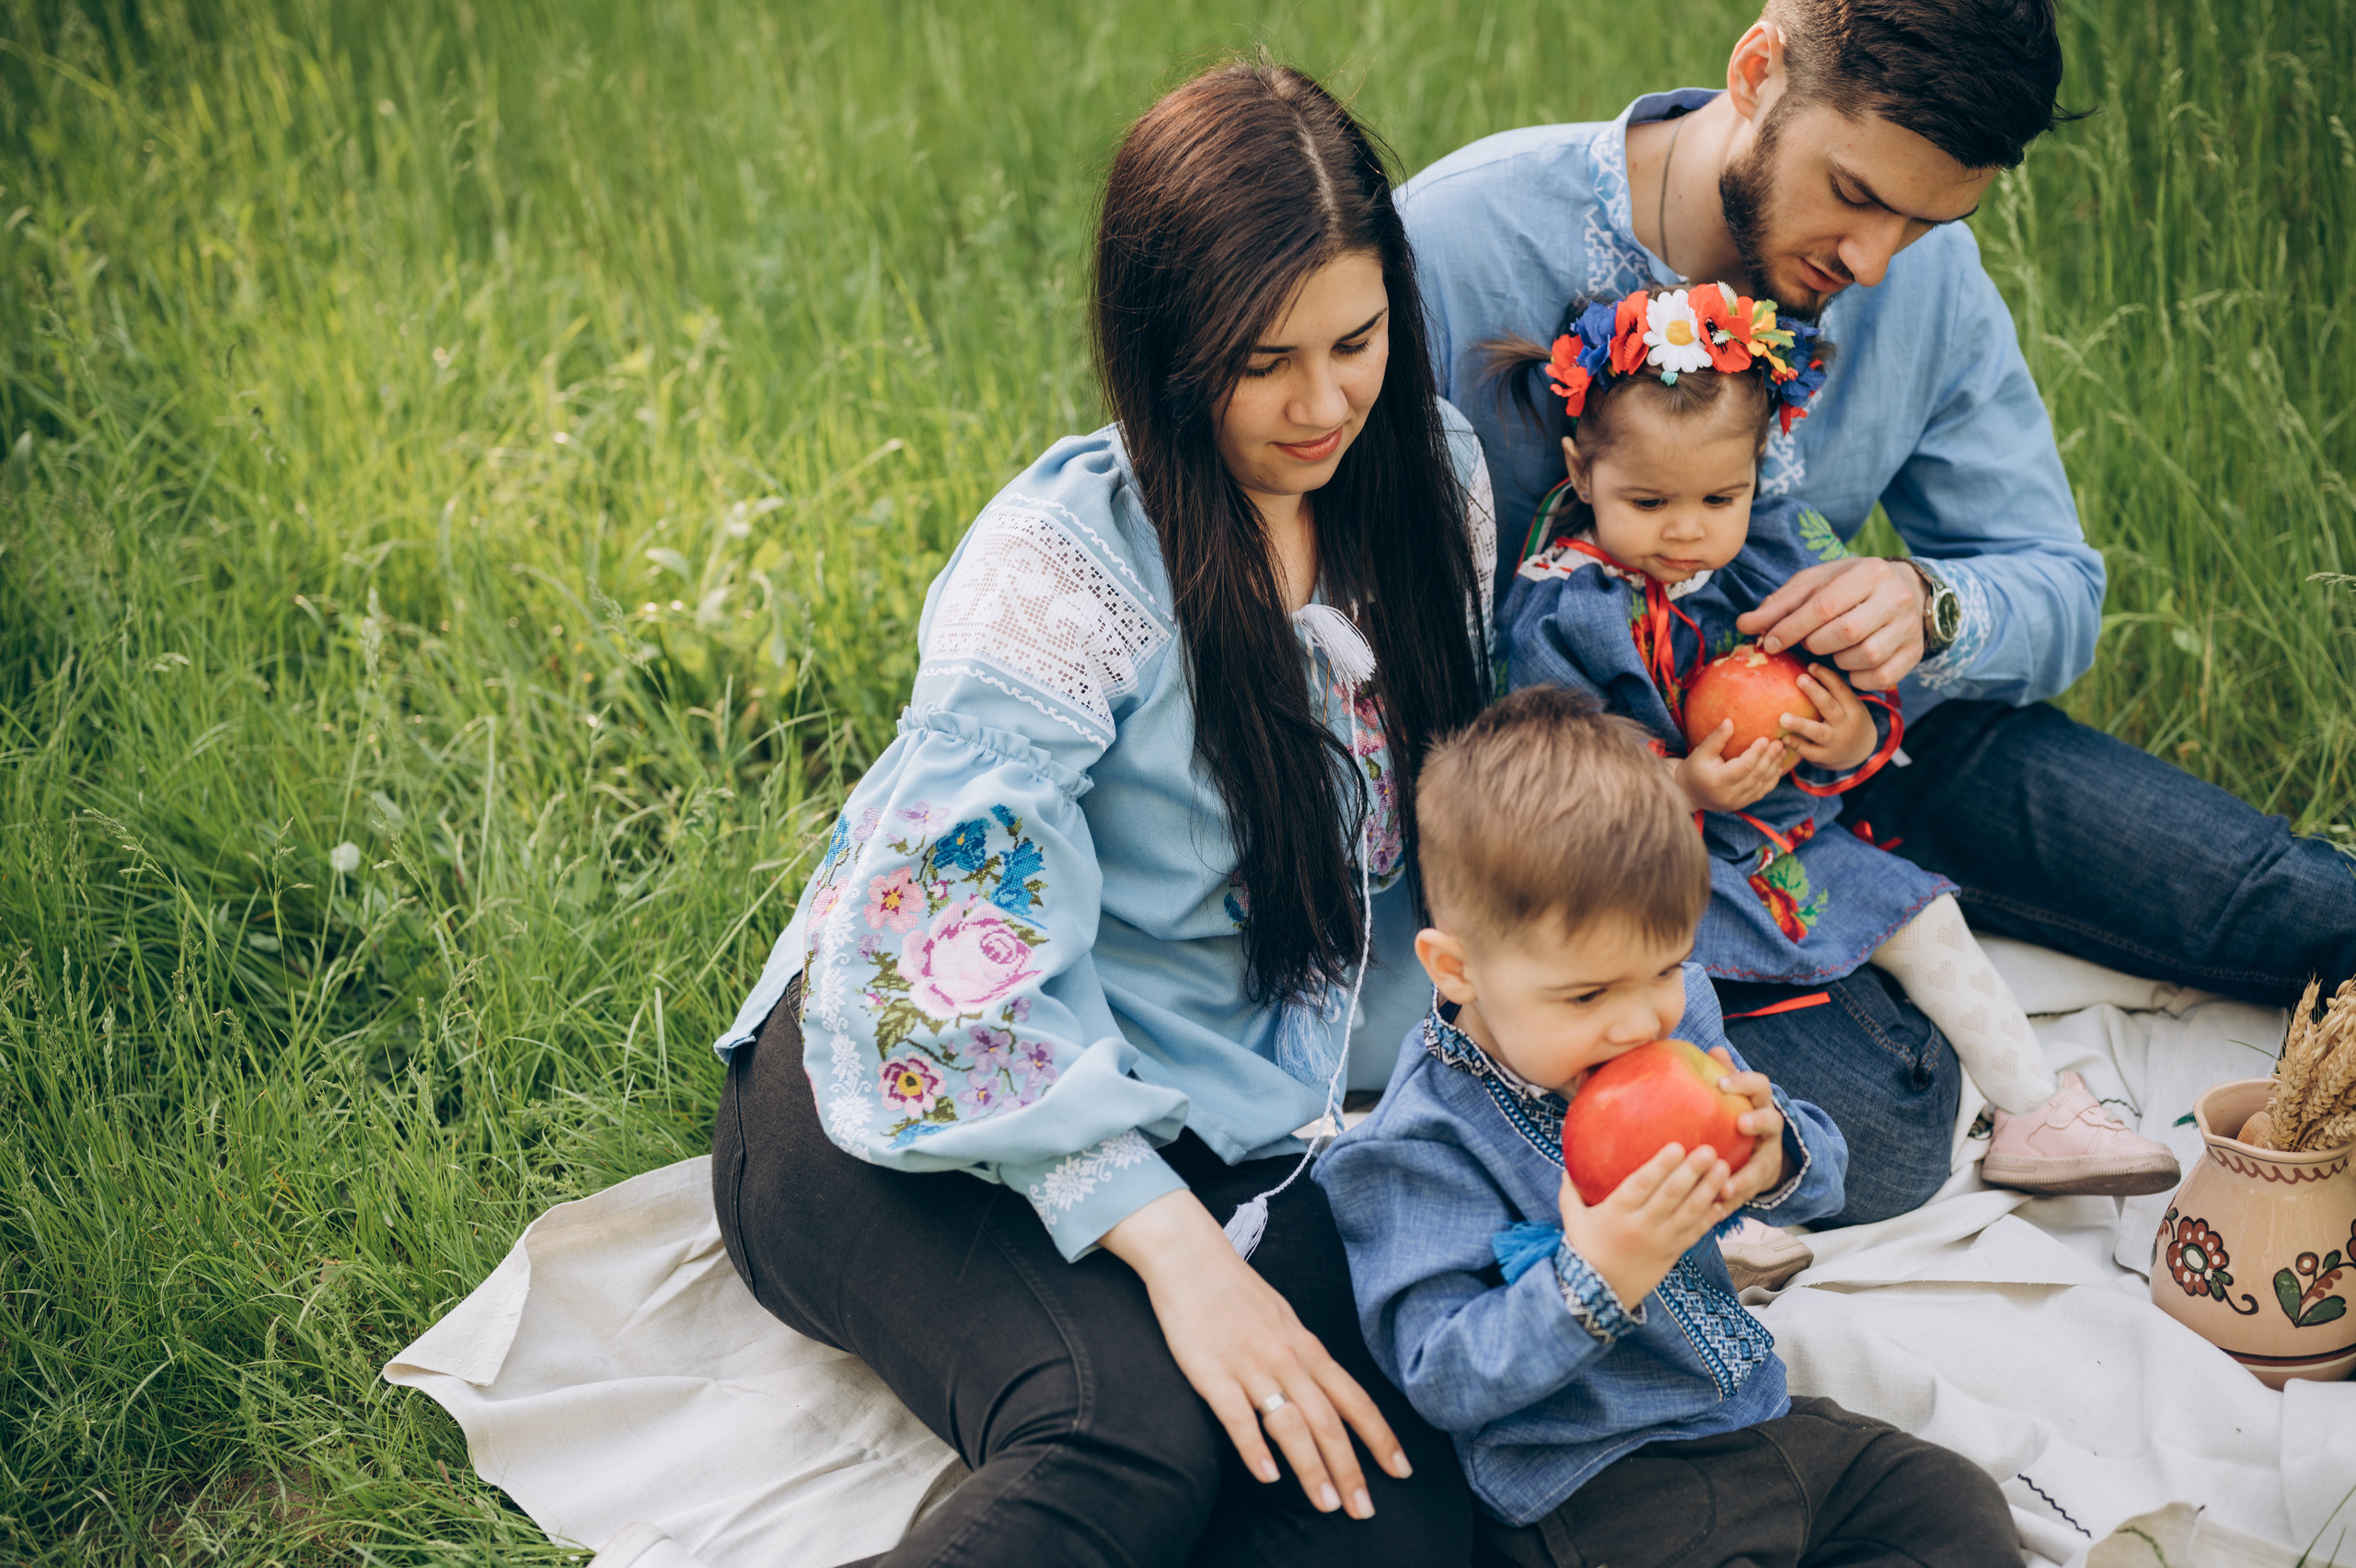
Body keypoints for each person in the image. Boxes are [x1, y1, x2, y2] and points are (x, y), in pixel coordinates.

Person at [707, 62, 1493, 1567]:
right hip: (911, 1088)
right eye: (1263, 360)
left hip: (1227, 1106)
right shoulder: (1064, 576)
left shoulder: (1433, 486)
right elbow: (937, 964)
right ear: (1164, 346)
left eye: (1357, 339)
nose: (1323, 402)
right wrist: (1174, 1241)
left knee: (1373, 1504)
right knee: (1121, 1433)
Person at [1400, 0, 2356, 1223]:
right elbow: (1381, 665)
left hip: (1874, 743)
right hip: (1620, 826)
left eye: (1926, 218)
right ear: (1757, 71)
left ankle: (1902, 948)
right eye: (1854, 193)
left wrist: (1928, 603)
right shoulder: (1462, 242)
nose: (1874, 262)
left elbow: (2056, 587)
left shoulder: (1920, 274)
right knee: (1882, 1127)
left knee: (2289, 899)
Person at [1490, 282, 2178, 1211]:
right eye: (1647, 500)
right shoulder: (1564, 603)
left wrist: (1845, 732)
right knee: (1659, 1005)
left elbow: (1856, 696)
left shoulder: (1768, 556)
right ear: (1579, 472)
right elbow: (1547, 765)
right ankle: (1693, 1187)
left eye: (1717, 496)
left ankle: (2034, 1107)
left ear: (1756, 470)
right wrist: (1682, 784)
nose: (1688, 527)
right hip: (1648, 870)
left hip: (1787, 846)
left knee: (1926, 920)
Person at [1315, 687, 2016, 1566]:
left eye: (1665, 968)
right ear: (1456, 970)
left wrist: (1774, 1155)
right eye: (1586, 995)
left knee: (1950, 1504)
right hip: (1600, 1485)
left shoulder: (1670, 1025)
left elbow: (1820, 1178)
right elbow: (1444, 1375)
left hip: (1747, 1412)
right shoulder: (1418, 1149)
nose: (1639, 1022)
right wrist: (1597, 1274)